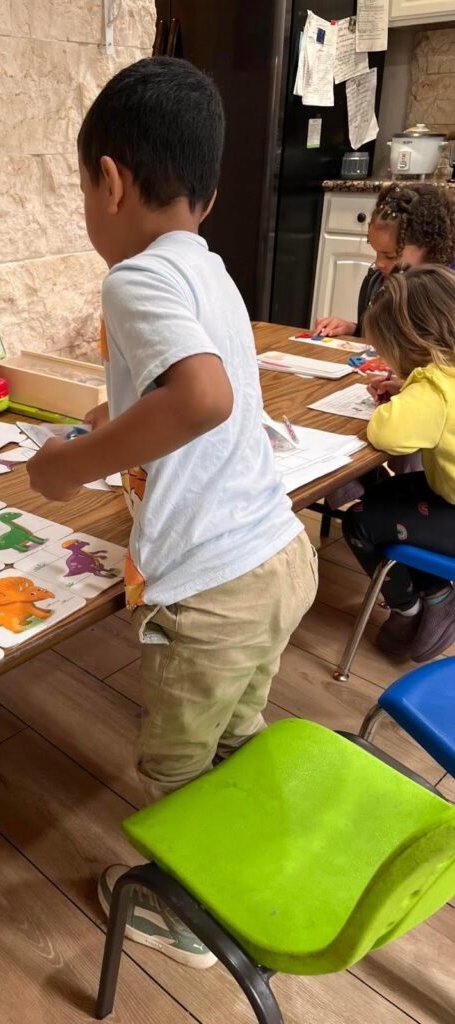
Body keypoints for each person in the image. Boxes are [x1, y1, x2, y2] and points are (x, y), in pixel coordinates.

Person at [27, 56, 318, 969]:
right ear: (210, 191)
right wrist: (114, 418)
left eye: (82, 188)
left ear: (109, 182)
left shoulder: (133, 278)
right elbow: (188, 385)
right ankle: (244, 849)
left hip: (212, 588)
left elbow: (202, 397)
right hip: (281, 561)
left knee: (174, 764)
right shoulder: (208, 268)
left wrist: (67, 467)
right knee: (237, 730)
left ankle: (189, 919)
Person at [342, 265, 455, 661]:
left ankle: (420, 603)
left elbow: (385, 433)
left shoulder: (434, 387)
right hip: (444, 493)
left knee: (359, 520)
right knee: (387, 496)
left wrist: (409, 391)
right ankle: (432, 590)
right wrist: (410, 387)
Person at [314, 183, 455, 339]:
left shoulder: (446, 295)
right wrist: (353, 330)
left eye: (390, 256)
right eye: (376, 252)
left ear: (429, 248)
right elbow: (378, 338)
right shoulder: (376, 283)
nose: (378, 263)